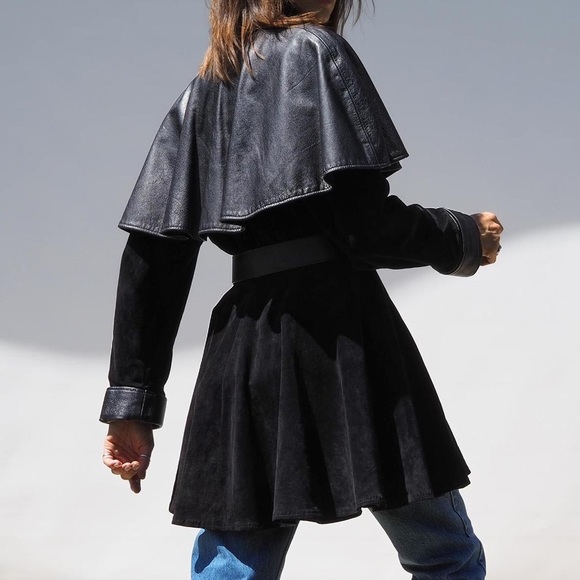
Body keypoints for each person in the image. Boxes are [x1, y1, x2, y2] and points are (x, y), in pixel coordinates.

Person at [100, 1, 502, 578]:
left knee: (234, 565)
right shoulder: (315, 50)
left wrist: (131, 405)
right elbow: (363, 228)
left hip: (247, 346)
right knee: (443, 552)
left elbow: (152, 262)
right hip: (346, 340)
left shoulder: (203, 91)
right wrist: (461, 236)